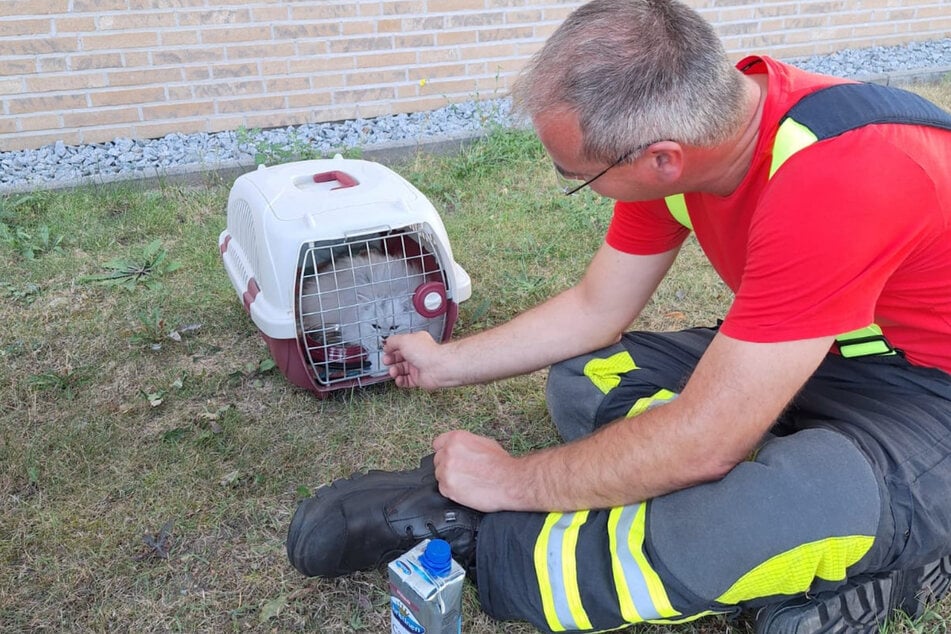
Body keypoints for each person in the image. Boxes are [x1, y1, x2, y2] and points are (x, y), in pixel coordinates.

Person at [285, 0, 951, 631]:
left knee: (773, 510)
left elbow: (705, 439)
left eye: (574, 172)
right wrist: (443, 363)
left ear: (660, 159)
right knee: (583, 376)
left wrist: (512, 481)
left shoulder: (842, 177)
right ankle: (786, 491)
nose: (575, 182)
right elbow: (592, 310)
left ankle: (476, 538)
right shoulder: (698, 137)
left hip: (929, 395)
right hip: (821, 350)